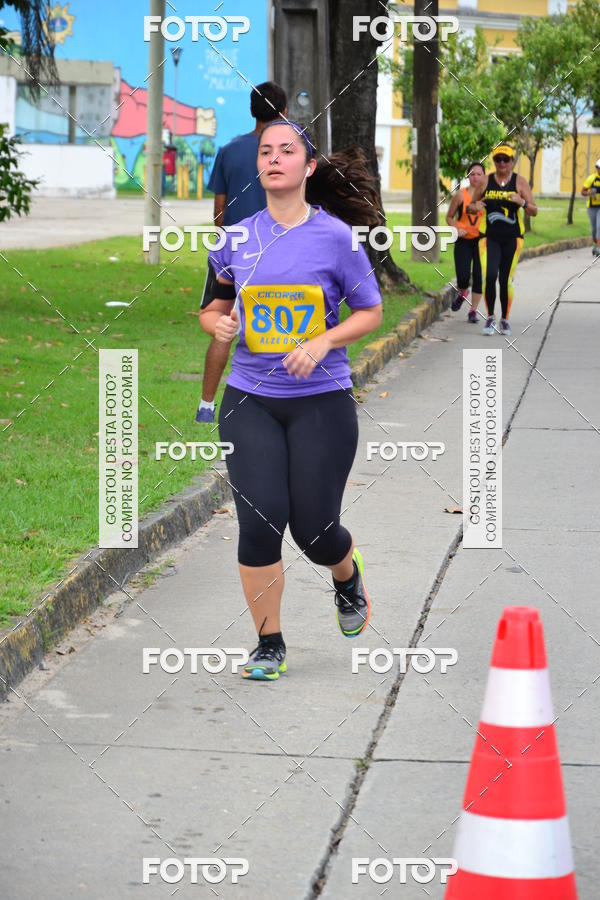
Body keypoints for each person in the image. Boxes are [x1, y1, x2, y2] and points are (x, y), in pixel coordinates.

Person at [199, 119, 383, 681]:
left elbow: (370, 312)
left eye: (287, 150)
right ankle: (268, 643)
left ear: (308, 167)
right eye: (265, 151)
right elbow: (212, 309)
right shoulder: (234, 238)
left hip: (321, 401)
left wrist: (324, 341)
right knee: (260, 520)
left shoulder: (336, 238)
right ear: (258, 166)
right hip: (249, 399)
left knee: (315, 532)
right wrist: (218, 326)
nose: (274, 158)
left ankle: (346, 574)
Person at [195, 82, 287, 424]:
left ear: (252, 111)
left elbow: (218, 212)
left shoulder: (229, 150)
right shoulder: (290, 154)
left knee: (224, 325)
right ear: (284, 113)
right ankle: (272, 401)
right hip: (278, 252)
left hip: (233, 252)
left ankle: (206, 407)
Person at [467, 144, 537, 336]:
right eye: (498, 159)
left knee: (505, 279)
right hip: (488, 237)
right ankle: (490, 317)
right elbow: (471, 206)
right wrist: (475, 206)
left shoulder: (520, 182)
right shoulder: (485, 181)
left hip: (513, 238)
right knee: (490, 276)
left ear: (512, 161)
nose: (502, 163)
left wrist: (522, 202)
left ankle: (505, 319)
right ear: (494, 161)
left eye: (506, 159)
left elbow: (534, 210)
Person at [445, 162, 485, 323]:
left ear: (484, 177)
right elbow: (449, 217)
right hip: (463, 240)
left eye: (479, 174)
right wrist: (456, 228)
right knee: (463, 276)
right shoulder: (460, 195)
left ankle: (473, 311)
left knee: (478, 276)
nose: (475, 177)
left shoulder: (487, 196)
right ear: (468, 176)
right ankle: (462, 292)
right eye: (472, 174)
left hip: (481, 241)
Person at [581, 158, 600, 257]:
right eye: (599, 168)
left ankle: (599, 247)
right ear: (597, 168)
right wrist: (589, 192)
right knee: (594, 228)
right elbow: (582, 192)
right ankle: (595, 246)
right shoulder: (591, 178)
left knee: (599, 226)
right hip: (592, 207)